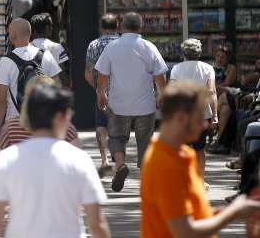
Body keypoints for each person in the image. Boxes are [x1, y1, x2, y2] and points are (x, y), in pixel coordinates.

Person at [0, 85, 110, 238]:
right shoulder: (79, 160)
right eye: (68, 113)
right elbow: (97, 225)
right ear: (58, 117)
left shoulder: (6, 161)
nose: (70, 119)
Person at [141, 81, 260, 238]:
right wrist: (231, 213)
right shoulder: (164, 165)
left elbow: (193, 215)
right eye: (200, 118)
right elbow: (185, 231)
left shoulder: (183, 154)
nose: (205, 125)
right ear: (181, 118)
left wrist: (230, 211)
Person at [96, 12, 167, 192]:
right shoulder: (149, 47)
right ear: (141, 27)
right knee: (145, 141)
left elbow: (102, 74)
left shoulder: (112, 47)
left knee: (116, 137)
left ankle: (120, 165)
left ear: (122, 26)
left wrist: (101, 94)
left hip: (119, 104)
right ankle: (145, 182)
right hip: (145, 105)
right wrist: (162, 94)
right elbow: (160, 74)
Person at [0, 18, 62, 149]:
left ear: (13, 35)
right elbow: (57, 86)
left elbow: (1, 99)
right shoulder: (46, 56)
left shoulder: (6, 62)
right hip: (42, 121)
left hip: (15, 123)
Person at [168, 39, 218, 179]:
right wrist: (214, 115)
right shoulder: (208, 68)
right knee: (200, 148)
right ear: (199, 53)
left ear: (184, 53)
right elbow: (212, 92)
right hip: (202, 114)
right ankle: (200, 179)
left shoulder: (177, 69)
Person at [85, 13, 120, 178]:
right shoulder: (122, 43)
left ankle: (105, 159)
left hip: (102, 94)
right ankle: (120, 163)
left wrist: (98, 89)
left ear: (101, 27)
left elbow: (88, 73)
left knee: (101, 125)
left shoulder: (94, 44)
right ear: (117, 26)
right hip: (122, 94)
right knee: (121, 127)